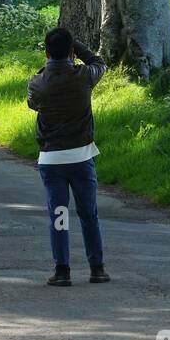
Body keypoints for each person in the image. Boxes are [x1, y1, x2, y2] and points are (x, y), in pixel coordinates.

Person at [28, 27, 110, 286]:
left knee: (59, 215)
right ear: (72, 52)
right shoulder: (84, 75)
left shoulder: (37, 83)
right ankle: (97, 268)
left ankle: (62, 270)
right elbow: (99, 63)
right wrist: (77, 46)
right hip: (81, 157)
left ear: (46, 53)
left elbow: (33, 104)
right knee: (89, 215)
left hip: (51, 160)